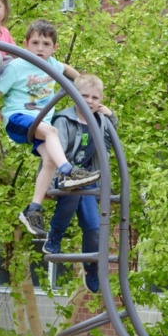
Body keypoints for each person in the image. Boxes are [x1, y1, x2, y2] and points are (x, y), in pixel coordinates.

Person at [0, 19, 97, 237]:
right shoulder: (17, 66)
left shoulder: (53, 65)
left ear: (55, 48)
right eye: (35, 43)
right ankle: (68, 171)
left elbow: (67, 69)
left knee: (50, 159)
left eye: (46, 44)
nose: (40, 48)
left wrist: (84, 83)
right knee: (52, 132)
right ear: (25, 44)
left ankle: (33, 209)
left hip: (38, 123)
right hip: (18, 119)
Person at [46, 74, 117, 292]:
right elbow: (56, 152)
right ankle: (54, 236)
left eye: (95, 97)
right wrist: (53, 181)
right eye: (84, 95)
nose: (89, 101)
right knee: (70, 199)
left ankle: (91, 266)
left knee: (94, 227)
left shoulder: (100, 121)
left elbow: (109, 142)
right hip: (65, 175)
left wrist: (112, 118)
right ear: (74, 96)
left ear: (101, 100)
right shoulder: (63, 120)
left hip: (87, 178)